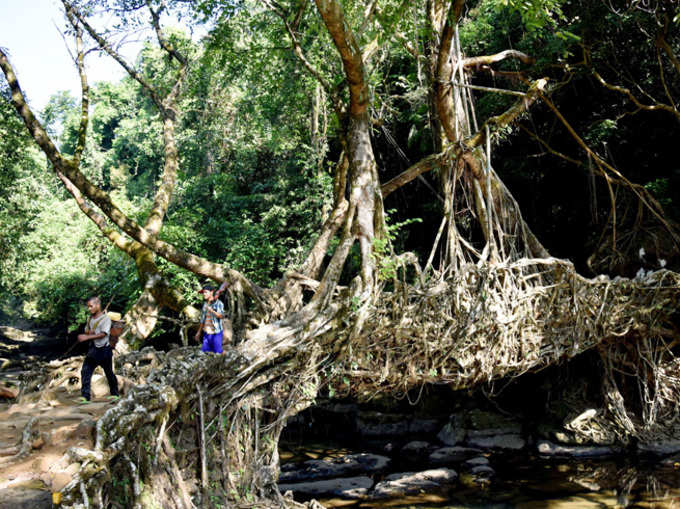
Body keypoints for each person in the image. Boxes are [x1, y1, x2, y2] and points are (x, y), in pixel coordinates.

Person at [77, 296, 119, 403]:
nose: (89, 309)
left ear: (98, 306)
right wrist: (87, 333)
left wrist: (87, 337)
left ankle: (115, 394)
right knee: (85, 371)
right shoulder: (90, 319)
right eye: (88, 307)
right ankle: (85, 396)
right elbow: (89, 331)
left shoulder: (106, 319)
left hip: (105, 350)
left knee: (109, 372)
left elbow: (103, 334)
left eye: (91, 306)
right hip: (94, 349)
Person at [194, 285, 225, 354]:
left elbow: (221, 316)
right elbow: (202, 320)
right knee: (205, 353)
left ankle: (227, 358)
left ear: (211, 292)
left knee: (218, 353)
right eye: (203, 293)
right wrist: (198, 332)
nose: (204, 294)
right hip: (206, 333)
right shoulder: (205, 304)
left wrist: (212, 311)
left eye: (206, 292)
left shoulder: (218, 303)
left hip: (216, 333)